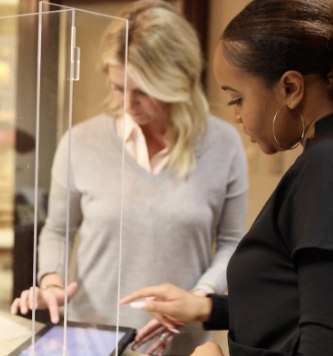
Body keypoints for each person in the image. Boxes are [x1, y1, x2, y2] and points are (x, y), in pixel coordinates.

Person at [10, 0, 248, 355]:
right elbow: (59, 230)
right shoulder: (82, 142)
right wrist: (52, 281)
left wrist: (198, 296)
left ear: (177, 81)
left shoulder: (224, 143)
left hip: (179, 344)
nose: (128, 104)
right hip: (90, 339)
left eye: (143, 91)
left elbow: (231, 243)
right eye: (119, 88)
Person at [121, 0, 333, 355]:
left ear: (290, 88)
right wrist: (206, 307)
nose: (236, 116)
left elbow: (322, 342)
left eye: (237, 99)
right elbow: (292, 301)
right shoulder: (317, 158)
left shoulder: (323, 166)